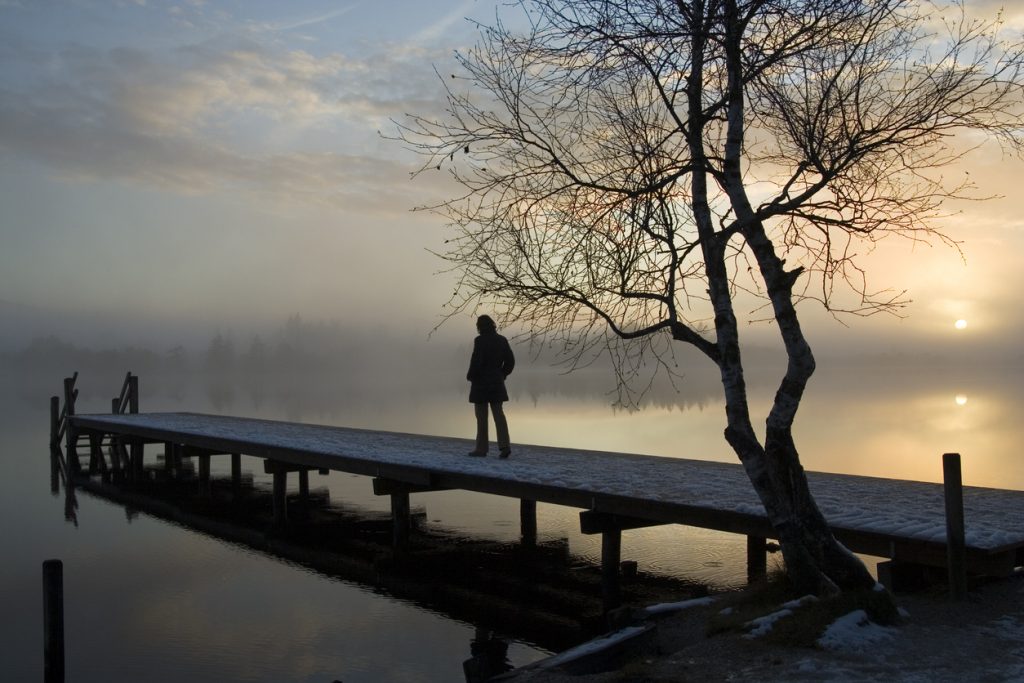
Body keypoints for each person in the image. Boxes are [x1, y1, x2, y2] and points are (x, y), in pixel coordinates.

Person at [466, 314, 515, 458]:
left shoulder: (480, 341)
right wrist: (502, 374)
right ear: (492, 324)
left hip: (481, 383)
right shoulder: (502, 340)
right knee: (499, 415)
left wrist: (470, 375)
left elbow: (477, 361)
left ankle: (481, 449)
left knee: (481, 417)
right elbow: (510, 361)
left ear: (479, 327)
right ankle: (504, 446)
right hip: (496, 382)